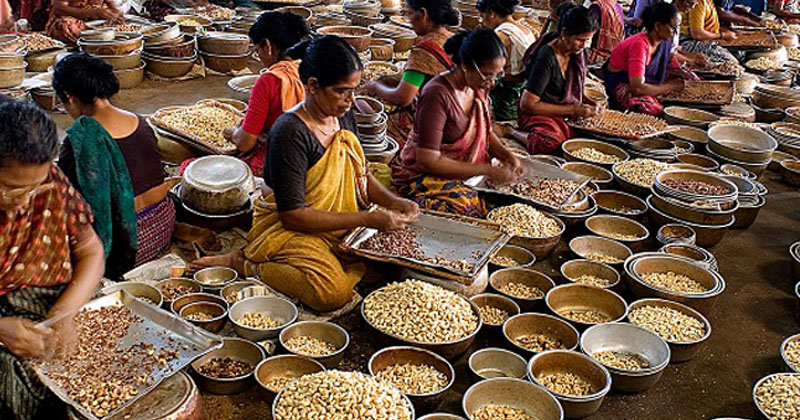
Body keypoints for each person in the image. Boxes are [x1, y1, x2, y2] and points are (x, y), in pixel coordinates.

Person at [188, 36, 420, 312]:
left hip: (338, 220)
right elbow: (293, 216)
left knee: (398, 263)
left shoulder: (342, 113)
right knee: (330, 294)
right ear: (312, 86)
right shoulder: (291, 132)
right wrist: (368, 218)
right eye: (342, 91)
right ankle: (247, 262)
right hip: (291, 228)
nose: (351, 100)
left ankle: (346, 261)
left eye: (354, 90)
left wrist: (393, 202)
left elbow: (360, 174)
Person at [0, 100, 105, 420]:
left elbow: (91, 252)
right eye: (9, 190)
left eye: (33, 189)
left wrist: (64, 312)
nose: (24, 203)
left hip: (41, 296)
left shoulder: (50, 181)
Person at [54, 53, 174, 279]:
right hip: (163, 225)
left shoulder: (81, 140)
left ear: (69, 98)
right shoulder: (140, 121)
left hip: (130, 245)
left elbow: (68, 200)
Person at [391, 29, 522, 217]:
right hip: (424, 176)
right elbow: (427, 161)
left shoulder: (478, 87)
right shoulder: (437, 94)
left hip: (465, 172)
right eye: (487, 74)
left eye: (497, 75)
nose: (492, 82)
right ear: (466, 66)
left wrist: (507, 156)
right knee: (468, 207)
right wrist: (486, 170)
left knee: (512, 196)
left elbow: (483, 131)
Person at [500, 5, 600, 155]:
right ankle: (511, 132)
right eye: (580, 40)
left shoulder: (579, 53)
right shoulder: (547, 56)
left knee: (592, 137)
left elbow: (574, 90)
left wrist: (590, 103)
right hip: (538, 113)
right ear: (565, 33)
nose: (584, 45)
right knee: (551, 143)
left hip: (562, 112)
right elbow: (528, 104)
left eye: (587, 40)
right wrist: (573, 109)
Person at [220, 11, 309, 177]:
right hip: (312, 157)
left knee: (189, 166)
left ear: (267, 46)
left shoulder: (270, 81)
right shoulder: (311, 68)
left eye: (258, 49)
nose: (259, 55)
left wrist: (233, 132)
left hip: (283, 163)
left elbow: (245, 143)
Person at [364, 0, 459, 143]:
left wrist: (375, 87)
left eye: (409, 13)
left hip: (436, 122)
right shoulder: (453, 38)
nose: (408, 20)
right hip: (455, 115)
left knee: (372, 125)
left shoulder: (425, 50)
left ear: (423, 14)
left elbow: (403, 97)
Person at [604, 3, 691, 116]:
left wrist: (683, 74)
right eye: (673, 28)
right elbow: (638, 89)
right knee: (652, 108)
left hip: (644, 83)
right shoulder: (639, 45)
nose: (676, 32)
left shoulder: (663, 42)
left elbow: (671, 63)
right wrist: (671, 86)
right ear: (658, 26)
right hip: (623, 84)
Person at [477, 0, 536, 122]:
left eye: (482, 17)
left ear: (492, 13)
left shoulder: (502, 35)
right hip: (524, 87)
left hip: (507, 92)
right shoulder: (525, 29)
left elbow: (482, 64)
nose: (482, 22)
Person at [679, 0, 740, 64]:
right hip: (689, 42)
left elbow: (707, 26)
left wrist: (724, 31)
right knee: (731, 63)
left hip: (703, 41)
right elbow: (697, 34)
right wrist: (723, 35)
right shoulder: (699, 3)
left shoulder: (709, 2)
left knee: (738, 55)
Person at [45, 0, 122, 44]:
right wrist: (93, 13)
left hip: (95, 22)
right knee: (66, 27)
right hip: (70, 20)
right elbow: (59, 8)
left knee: (117, 27)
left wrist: (116, 14)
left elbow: (112, 6)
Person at [587, 0, 625, 65]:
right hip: (611, 58)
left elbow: (586, 33)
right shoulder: (617, 6)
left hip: (594, 57)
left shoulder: (597, 7)